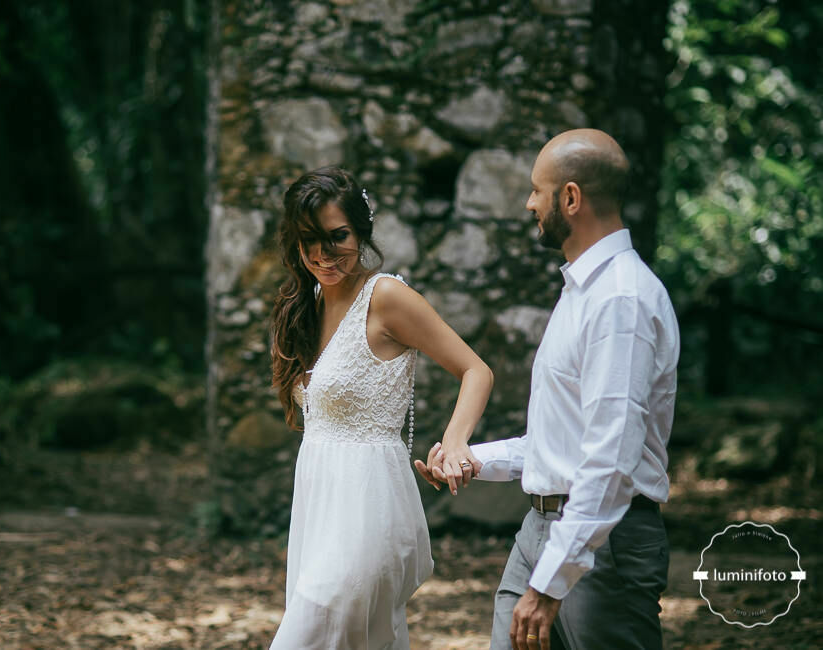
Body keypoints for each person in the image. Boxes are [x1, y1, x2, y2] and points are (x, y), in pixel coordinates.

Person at [417, 129, 680, 650]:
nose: (528, 203)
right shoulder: (582, 293)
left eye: (537, 189)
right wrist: (470, 457)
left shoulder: (619, 302)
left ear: (571, 197)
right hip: (538, 531)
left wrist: (551, 582)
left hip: (602, 546)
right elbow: (562, 441)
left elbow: (610, 460)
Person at [269, 166, 493, 649]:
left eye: (337, 237)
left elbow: (477, 370)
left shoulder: (386, 297)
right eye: (308, 240)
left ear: (362, 230)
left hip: (369, 503)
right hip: (318, 502)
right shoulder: (307, 303)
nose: (323, 255)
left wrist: (455, 441)